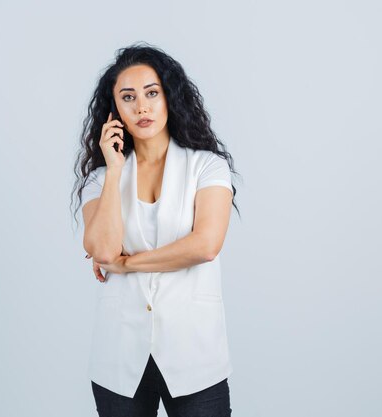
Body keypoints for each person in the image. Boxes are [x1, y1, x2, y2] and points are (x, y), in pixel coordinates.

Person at [72, 42, 242, 417]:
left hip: (195, 354)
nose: (142, 107)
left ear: (169, 97)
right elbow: (103, 249)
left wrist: (128, 264)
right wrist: (116, 169)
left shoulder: (207, 168)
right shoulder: (100, 180)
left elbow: (205, 245)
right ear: (115, 110)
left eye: (152, 93)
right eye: (128, 97)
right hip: (119, 357)